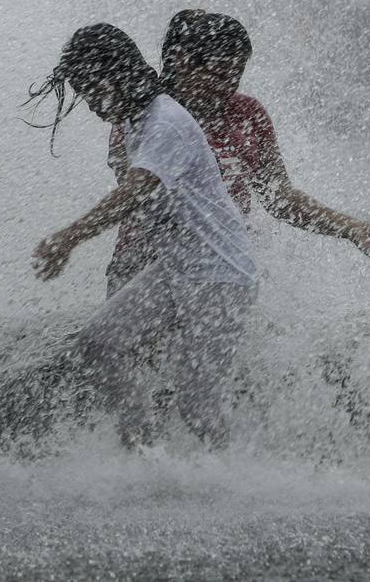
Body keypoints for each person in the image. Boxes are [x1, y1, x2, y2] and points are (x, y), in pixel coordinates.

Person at [26, 23, 256, 449]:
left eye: (94, 90)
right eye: (83, 93)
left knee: (197, 404)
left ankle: (231, 482)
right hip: (175, 270)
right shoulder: (135, 121)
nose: (92, 105)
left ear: (119, 74)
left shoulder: (165, 120)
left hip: (221, 277)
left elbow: (136, 190)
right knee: (100, 343)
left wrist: (69, 237)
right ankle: (141, 450)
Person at [105, 9, 370, 294]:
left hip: (220, 268)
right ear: (183, 62)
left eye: (237, 75)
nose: (228, 86)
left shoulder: (247, 114)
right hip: (142, 266)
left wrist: (351, 228)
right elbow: (139, 197)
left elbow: (280, 199)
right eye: (220, 73)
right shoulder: (142, 118)